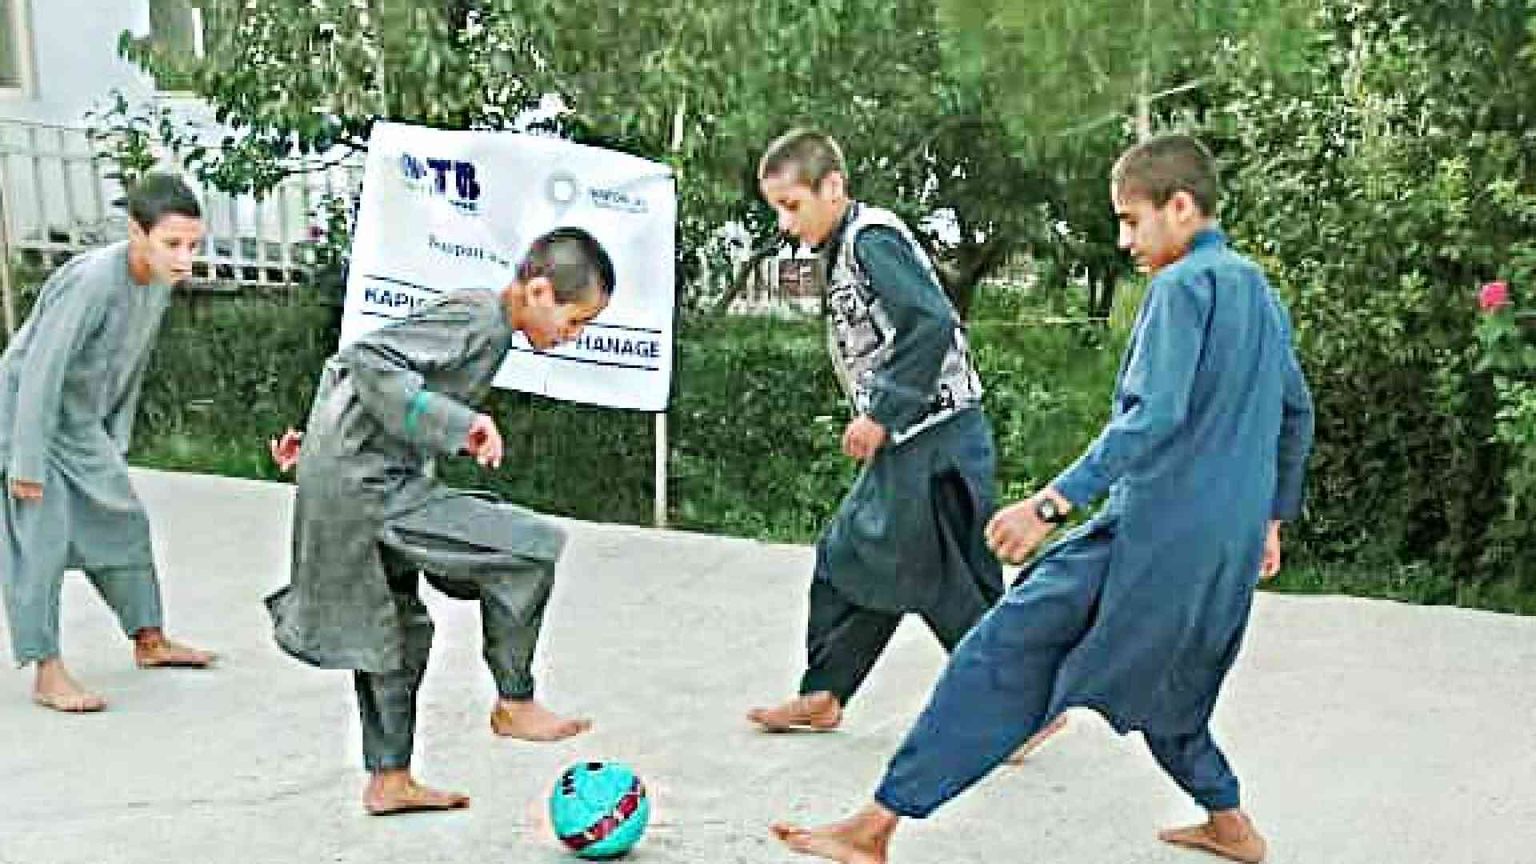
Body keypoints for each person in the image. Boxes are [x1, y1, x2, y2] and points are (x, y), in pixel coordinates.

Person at [770, 133, 1315, 864]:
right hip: (1224, 547)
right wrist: (1271, 520)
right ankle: (1230, 823)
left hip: (1149, 536)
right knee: (1174, 688)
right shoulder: (1255, 287)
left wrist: (1050, 505)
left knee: (999, 650)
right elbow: (1295, 411)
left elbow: (1152, 419)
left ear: (1180, 207)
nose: (1123, 240)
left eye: (1131, 220)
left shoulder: (1182, 288)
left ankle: (873, 829)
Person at [265, 227, 612, 815]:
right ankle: (514, 701)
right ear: (537, 291)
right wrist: (459, 423)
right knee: (528, 549)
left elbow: (358, 372)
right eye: (575, 321)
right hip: (370, 488)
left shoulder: (492, 327)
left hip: (353, 477)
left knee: (394, 628)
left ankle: (389, 778)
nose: (573, 335)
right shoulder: (480, 318)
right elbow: (366, 357)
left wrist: (320, 440)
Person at [746, 130, 1064, 755]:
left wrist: (883, 415)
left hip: (933, 437)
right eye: (777, 209)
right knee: (855, 559)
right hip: (918, 441)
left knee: (942, 579)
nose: (785, 224)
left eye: (792, 205)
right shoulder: (845, 246)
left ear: (832, 187)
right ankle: (826, 691)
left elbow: (930, 321)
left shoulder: (871, 239)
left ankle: (1022, 710)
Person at [0, 172, 217, 714]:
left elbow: (131, 361)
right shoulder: (94, 280)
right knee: (40, 543)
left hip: (79, 424)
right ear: (136, 233)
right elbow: (41, 369)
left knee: (123, 519)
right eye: (172, 244)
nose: (184, 257)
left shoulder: (159, 281)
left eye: (193, 245)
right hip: (28, 418)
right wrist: (26, 460)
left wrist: (113, 434)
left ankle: (149, 639)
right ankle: (46, 670)